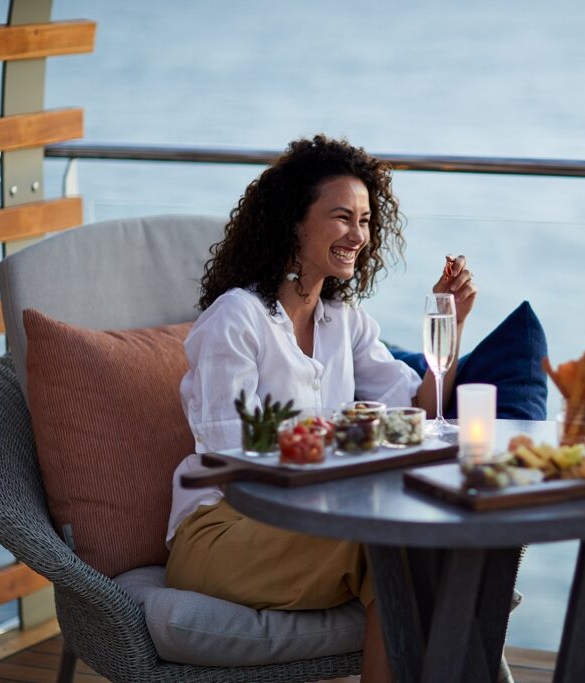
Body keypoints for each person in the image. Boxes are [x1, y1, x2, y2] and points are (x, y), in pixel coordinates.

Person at [163, 135, 477, 683]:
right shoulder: (237, 318)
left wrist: (448, 325)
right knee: (398, 549)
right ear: (293, 221)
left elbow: (418, 413)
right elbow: (230, 458)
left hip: (312, 521)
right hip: (220, 530)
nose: (358, 235)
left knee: (427, 544)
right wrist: (340, 449)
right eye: (341, 218)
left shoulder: (343, 320)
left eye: (365, 220)